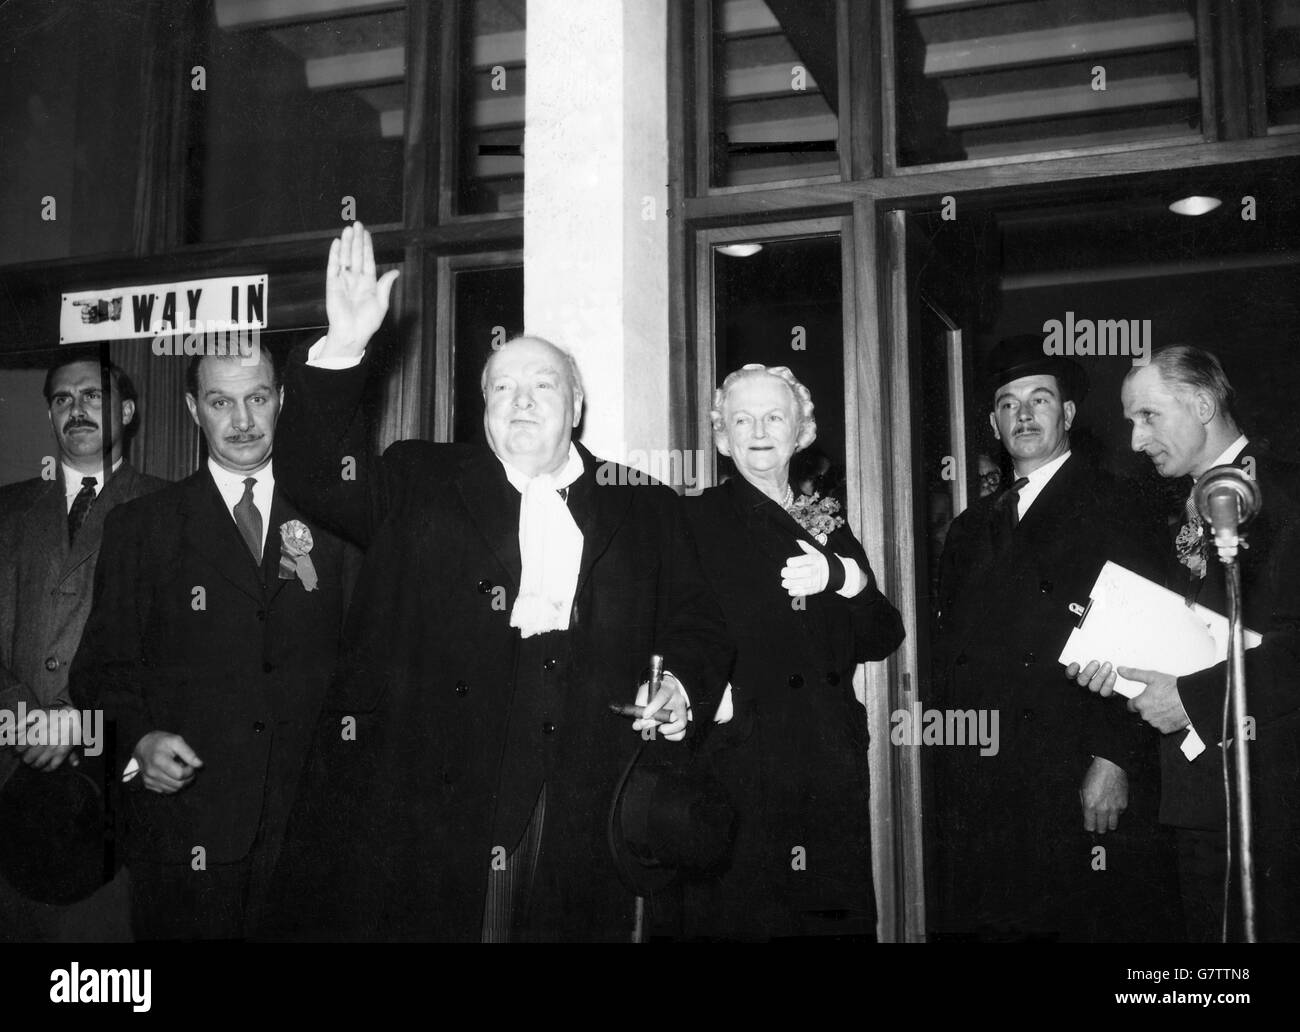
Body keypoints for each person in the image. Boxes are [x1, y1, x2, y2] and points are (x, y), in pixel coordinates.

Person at [263, 223, 732, 942]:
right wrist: (345, 347)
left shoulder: (643, 503)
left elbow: (700, 626)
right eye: (501, 385)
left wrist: (682, 687)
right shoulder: (420, 479)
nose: (520, 398)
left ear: (575, 407)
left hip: (585, 807)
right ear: (482, 406)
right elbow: (314, 475)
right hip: (433, 812)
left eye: (543, 384)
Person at [67, 348, 354, 940]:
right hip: (186, 834)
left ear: (282, 400)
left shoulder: (339, 521)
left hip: (312, 834)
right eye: (222, 402)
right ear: (195, 410)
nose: (243, 420)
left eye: (257, 398)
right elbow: (99, 673)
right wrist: (138, 741)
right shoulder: (142, 527)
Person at [932, 335, 1177, 941]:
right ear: (992, 421)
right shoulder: (969, 528)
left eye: (1040, 400)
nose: (1023, 415)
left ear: (1067, 415)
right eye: (1009, 404)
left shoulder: (1119, 503)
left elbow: (1153, 641)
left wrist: (1115, 756)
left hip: (1077, 766)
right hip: (989, 777)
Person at [1068, 344, 1300, 942]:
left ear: (1202, 404)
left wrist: (1192, 700)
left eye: (1148, 416)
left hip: (1272, 799)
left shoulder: (1285, 498)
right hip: (1200, 795)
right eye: (1130, 421)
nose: (1136, 440)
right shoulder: (1181, 508)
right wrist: (1122, 670)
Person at [680, 364, 904, 940]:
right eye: (742, 419)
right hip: (742, 762)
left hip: (829, 761)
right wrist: (710, 693)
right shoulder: (694, 520)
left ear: (801, 431)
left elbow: (883, 634)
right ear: (723, 436)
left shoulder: (824, 519)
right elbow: (674, 632)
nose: (759, 430)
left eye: (775, 416)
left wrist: (842, 576)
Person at [0, 356, 166, 942]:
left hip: (113, 789)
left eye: (93, 396)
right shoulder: (6, 510)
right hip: (7, 774)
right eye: (64, 399)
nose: (77, 409)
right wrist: (20, 718)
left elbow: (176, 649)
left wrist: (80, 718)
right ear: (50, 414)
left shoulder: (171, 511)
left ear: (125, 411)